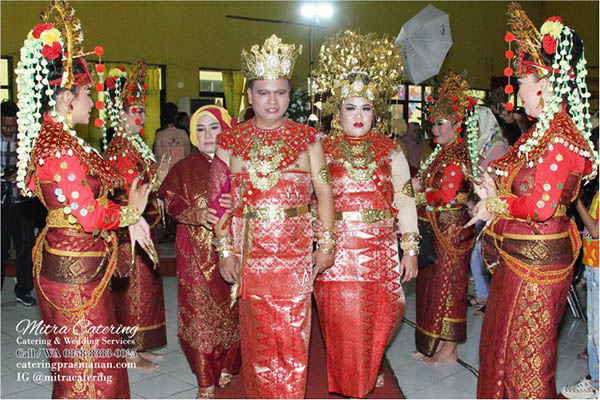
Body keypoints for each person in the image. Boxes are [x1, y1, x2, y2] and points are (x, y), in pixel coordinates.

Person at [14, 2, 152, 397]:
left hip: (79, 264)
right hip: (73, 271)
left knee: (90, 360)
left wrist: (130, 218)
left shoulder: (64, 141)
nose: (92, 103)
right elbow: (89, 217)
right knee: (87, 368)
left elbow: (93, 196)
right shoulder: (60, 149)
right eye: (87, 94)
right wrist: (131, 212)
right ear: (64, 97)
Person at [468, 4, 598, 397]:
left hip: (539, 262)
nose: (516, 91)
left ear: (544, 81)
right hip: (517, 255)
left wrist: (495, 205)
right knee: (501, 348)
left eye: (522, 81)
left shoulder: (558, 136)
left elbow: (542, 207)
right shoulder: (536, 134)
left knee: (526, 358)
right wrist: (491, 188)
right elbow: (512, 178)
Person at [210, 34, 335, 398]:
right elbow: (219, 202)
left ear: (289, 94)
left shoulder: (310, 140)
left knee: (294, 339)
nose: (272, 100)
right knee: (258, 341)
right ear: (250, 95)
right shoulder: (229, 142)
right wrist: (224, 251)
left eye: (280, 92)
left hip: (296, 256)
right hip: (250, 258)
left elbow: (325, 192)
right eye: (263, 92)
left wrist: (325, 245)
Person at [311, 30, 419, 398]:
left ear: (376, 111)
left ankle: (367, 368)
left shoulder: (391, 149)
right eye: (351, 107)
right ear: (337, 110)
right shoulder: (320, 148)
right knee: (341, 324)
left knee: (383, 317)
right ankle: (351, 386)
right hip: (336, 253)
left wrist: (411, 249)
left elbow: (405, 201)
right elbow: (308, 197)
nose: (359, 116)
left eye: (366, 107)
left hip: (380, 252)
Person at [158, 105, 241, 399]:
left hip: (235, 250)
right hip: (194, 251)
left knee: (233, 312)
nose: (207, 135)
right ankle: (205, 378)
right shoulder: (184, 168)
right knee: (200, 317)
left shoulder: (240, 165)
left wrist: (240, 205)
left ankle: (230, 363)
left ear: (226, 129)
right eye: (201, 129)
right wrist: (194, 213)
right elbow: (170, 201)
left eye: (214, 127)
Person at [104, 59, 169, 371]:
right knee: (132, 291)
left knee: (146, 290)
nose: (141, 116)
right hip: (127, 232)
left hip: (142, 224)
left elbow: (146, 185)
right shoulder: (119, 150)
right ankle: (127, 351)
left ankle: (137, 347)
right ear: (120, 116)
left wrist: (160, 176)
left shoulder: (135, 145)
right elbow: (126, 192)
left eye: (143, 110)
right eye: (135, 111)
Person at [411, 71, 478, 365]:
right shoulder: (440, 152)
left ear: (457, 125)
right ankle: (432, 343)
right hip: (437, 229)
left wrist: (420, 193)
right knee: (433, 287)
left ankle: (449, 350)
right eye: (433, 123)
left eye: (441, 123)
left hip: (452, 233)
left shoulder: (456, 154)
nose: (434, 129)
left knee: (451, 287)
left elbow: (448, 195)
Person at [468, 106, 510, 315]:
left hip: (495, 207)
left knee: (484, 255)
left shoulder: (497, 147)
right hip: (483, 206)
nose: (473, 129)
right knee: (479, 255)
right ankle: (485, 296)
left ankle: (490, 300)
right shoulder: (482, 146)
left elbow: (494, 179)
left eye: (476, 124)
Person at [561, 190, 599, 398]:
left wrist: (576, 201)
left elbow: (595, 230)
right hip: (593, 264)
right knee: (593, 333)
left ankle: (597, 387)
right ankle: (595, 380)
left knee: (597, 333)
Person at [1, 101, 37, 306]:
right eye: (4, 126)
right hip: (2, 201)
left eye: (12, 126)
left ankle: (23, 290)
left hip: (23, 201)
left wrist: (21, 171)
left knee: (25, 246)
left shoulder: (26, 139)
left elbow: (36, 165)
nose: (8, 130)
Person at [154, 102, 191, 168]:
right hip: (181, 170)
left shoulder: (159, 134)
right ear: (176, 115)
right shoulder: (183, 132)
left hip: (165, 172)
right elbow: (188, 155)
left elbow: (158, 157)